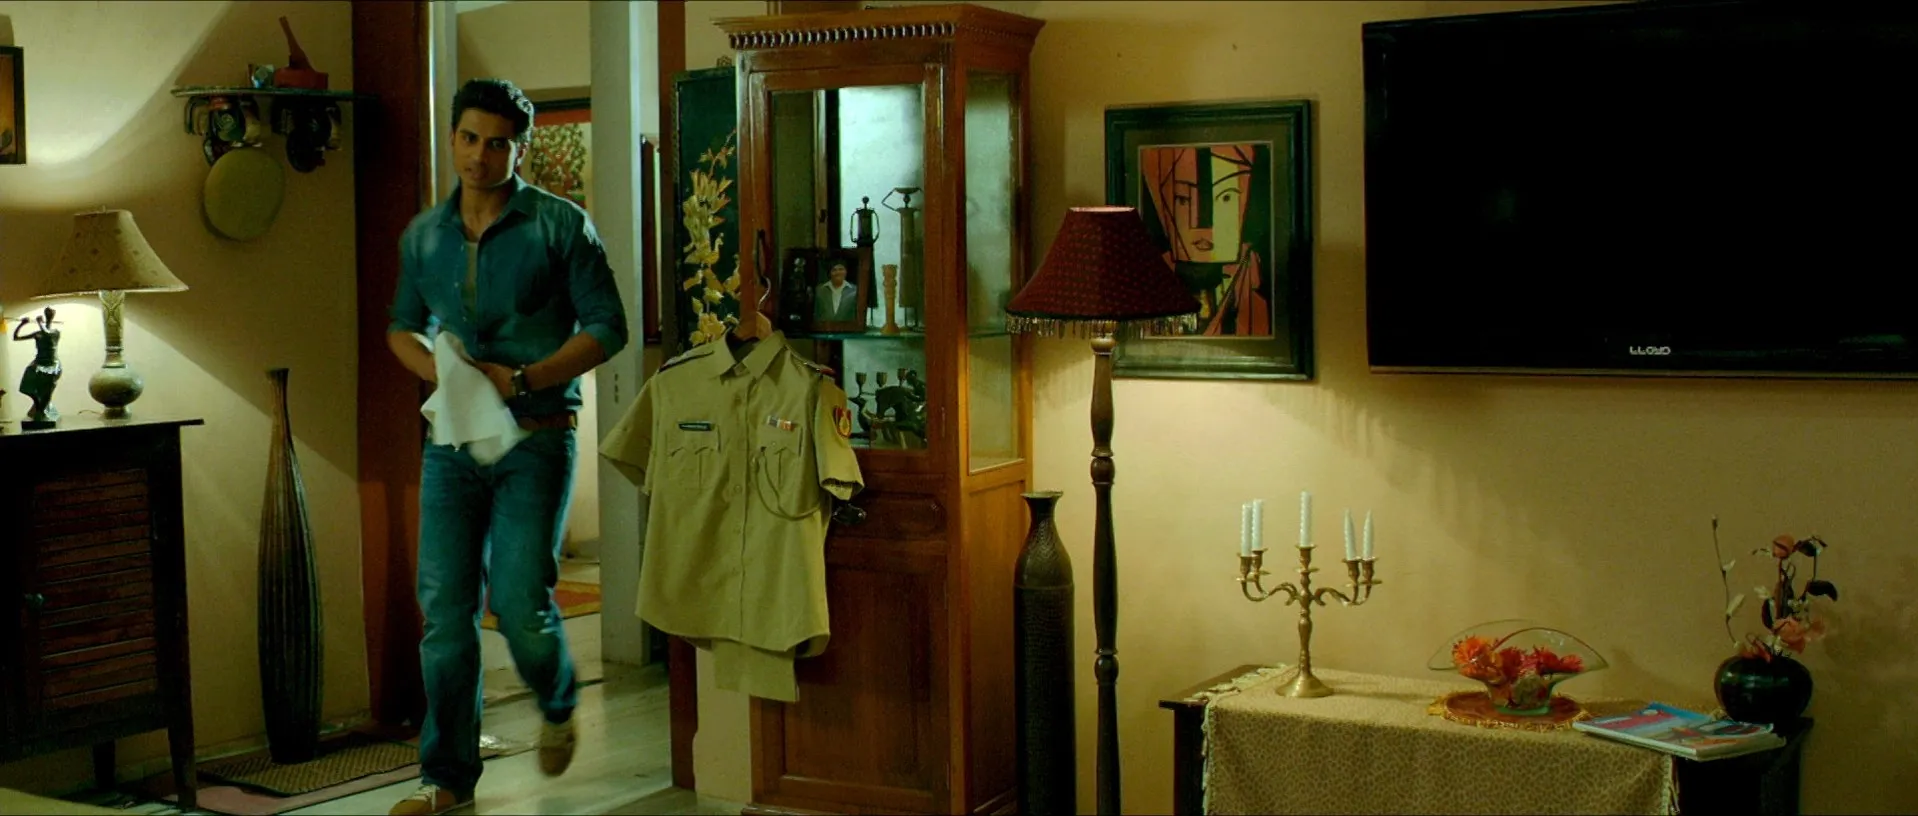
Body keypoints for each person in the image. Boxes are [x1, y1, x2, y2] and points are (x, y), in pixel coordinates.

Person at [383, 78, 628, 816]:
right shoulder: (424, 236)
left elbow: (607, 327)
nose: (480, 156)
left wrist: (521, 380)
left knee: (520, 604)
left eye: (497, 144)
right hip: (452, 445)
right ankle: (447, 780)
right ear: (453, 138)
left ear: (519, 148)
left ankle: (557, 701)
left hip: (536, 439)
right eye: (469, 139)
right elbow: (400, 327)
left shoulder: (560, 224)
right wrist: (442, 373)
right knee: (445, 613)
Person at [1141, 143, 1272, 337]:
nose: (1203, 226)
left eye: (1226, 198)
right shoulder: (1156, 276)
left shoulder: (1251, 273)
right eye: (1183, 199)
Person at [13, 306, 62, 424]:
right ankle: (38, 405)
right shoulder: (38, 333)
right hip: (38, 362)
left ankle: (41, 411)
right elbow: (16, 338)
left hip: (51, 365)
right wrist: (22, 324)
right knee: (26, 385)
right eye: (47, 313)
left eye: (50, 313)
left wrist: (40, 323)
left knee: (47, 390)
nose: (49, 314)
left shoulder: (55, 332)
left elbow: (48, 334)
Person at [813, 259, 859, 323]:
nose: (838, 272)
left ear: (846, 271)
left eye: (841, 269)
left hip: (847, 328)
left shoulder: (855, 290)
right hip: (824, 327)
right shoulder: (819, 290)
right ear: (830, 273)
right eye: (834, 270)